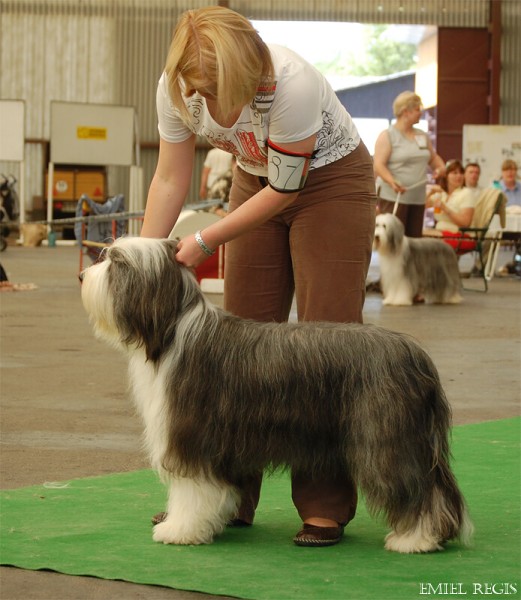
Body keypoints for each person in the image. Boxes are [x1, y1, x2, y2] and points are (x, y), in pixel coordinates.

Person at [140, 6, 377, 548]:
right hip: (254, 178)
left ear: (253, 65)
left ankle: (324, 506)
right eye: (203, 88)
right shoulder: (174, 89)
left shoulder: (292, 82)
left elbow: (287, 188)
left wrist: (204, 239)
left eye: (226, 86)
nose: (216, 102)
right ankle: (223, 497)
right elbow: (170, 176)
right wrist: (151, 254)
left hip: (329, 184)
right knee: (233, 346)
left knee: (328, 342)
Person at [373, 91, 445, 238]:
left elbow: (432, 158)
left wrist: (441, 167)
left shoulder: (422, 135)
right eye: (418, 110)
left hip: (417, 197)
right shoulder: (387, 135)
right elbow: (378, 165)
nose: (421, 113)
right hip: (394, 196)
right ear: (406, 111)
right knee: (394, 239)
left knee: (414, 239)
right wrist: (392, 181)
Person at [425, 159, 477, 251]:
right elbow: (422, 205)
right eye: (454, 173)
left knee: (423, 237)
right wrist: (430, 193)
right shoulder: (442, 194)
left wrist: (445, 208)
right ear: (446, 175)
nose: (459, 176)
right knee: (418, 235)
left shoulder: (466, 193)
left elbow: (465, 223)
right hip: (442, 232)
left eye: (461, 173)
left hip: (461, 236)